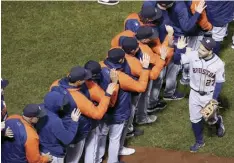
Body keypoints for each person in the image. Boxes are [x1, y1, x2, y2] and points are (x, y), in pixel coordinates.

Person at [50, 66, 116, 163]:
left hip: (60, 126)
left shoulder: (55, 85)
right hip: (77, 129)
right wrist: (108, 95)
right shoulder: (77, 98)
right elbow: (98, 114)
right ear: (78, 81)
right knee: (74, 159)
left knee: (65, 154)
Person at [97, 48, 150, 163]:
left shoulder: (99, 67)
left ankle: (97, 158)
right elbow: (141, 87)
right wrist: (145, 68)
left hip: (103, 108)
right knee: (114, 139)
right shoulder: (120, 76)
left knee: (101, 135)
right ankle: (113, 161)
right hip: (118, 112)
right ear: (120, 60)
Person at [174, 37, 225, 152]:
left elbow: (219, 82)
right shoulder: (193, 55)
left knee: (210, 119)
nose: (199, 51)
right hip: (194, 94)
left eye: (203, 50)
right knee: (194, 118)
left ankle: (218, 122)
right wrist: (179, 50)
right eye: (200, 48)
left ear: (210, 51)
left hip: (208, 96)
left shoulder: (218, 64)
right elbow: (177, 61)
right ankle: (199, 141)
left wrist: (213, 100)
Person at [36, 91, 81, 163]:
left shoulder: (39, 108)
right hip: (53, 155)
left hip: (41, 149)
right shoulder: (55, 121)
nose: (61, 106)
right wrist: (74, 122)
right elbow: (67, 139)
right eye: (59, 104)